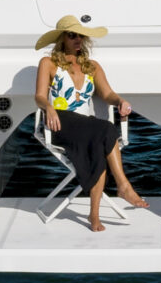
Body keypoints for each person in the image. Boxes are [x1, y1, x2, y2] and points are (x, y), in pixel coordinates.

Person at [34, 15, 150, 232]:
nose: (78, 39)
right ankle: (123, 185)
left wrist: (120, 101)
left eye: (80, 35)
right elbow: (39, 96)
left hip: (86, 127)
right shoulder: (48, 63)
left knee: (99, 143)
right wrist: (48, 107)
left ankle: (94, 214)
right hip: (60, 123)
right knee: (105, 130)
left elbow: (107, 94)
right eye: (72, 35)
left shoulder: (92, 67)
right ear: (62, 38)